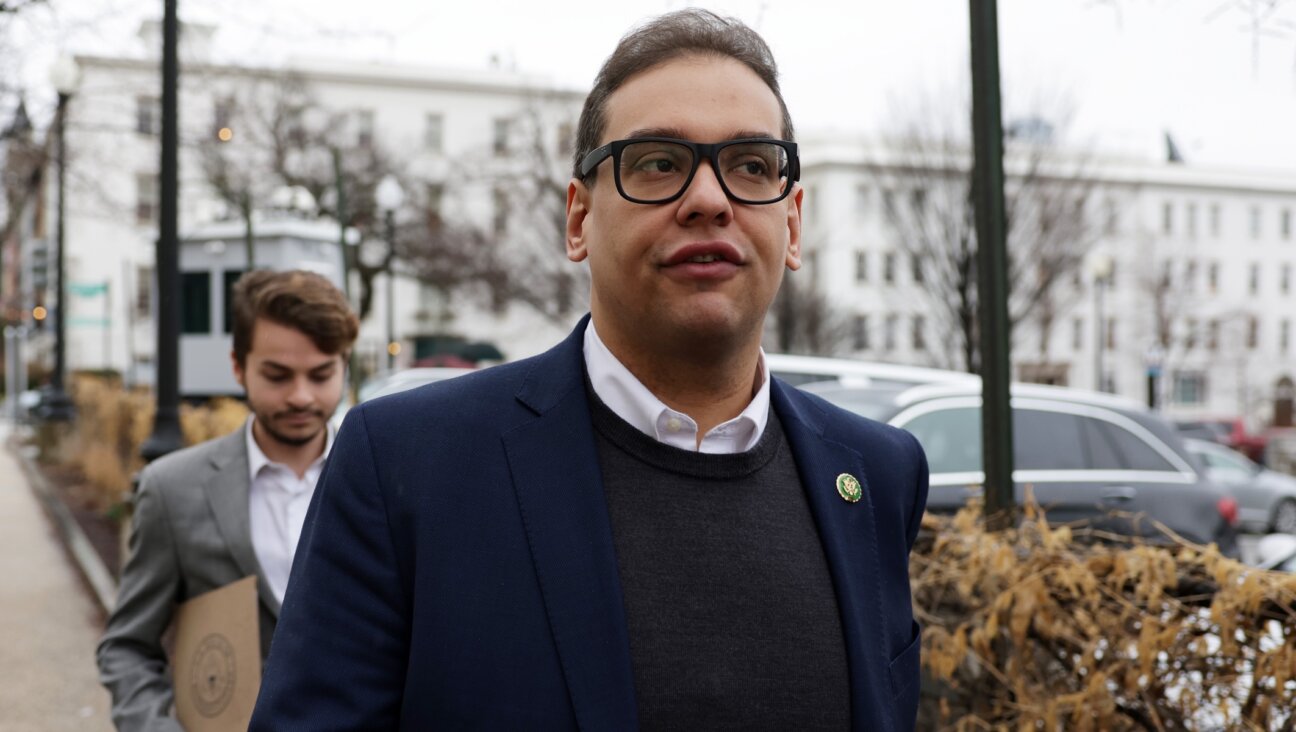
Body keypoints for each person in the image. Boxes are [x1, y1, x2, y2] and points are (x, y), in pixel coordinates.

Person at [251, 9, 928, 731]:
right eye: (659, 163)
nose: (709, 199)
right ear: (578, 220)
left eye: (751, 166)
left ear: (792, 225)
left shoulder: (878, 477)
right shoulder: (404, 465)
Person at [97, 269, 358, 732]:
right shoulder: (173, 488)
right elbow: (128, 646)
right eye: (277, 375)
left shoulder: (380, 482)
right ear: (237, 366)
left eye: (321, 374)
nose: (301, 396)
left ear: (345, 365)